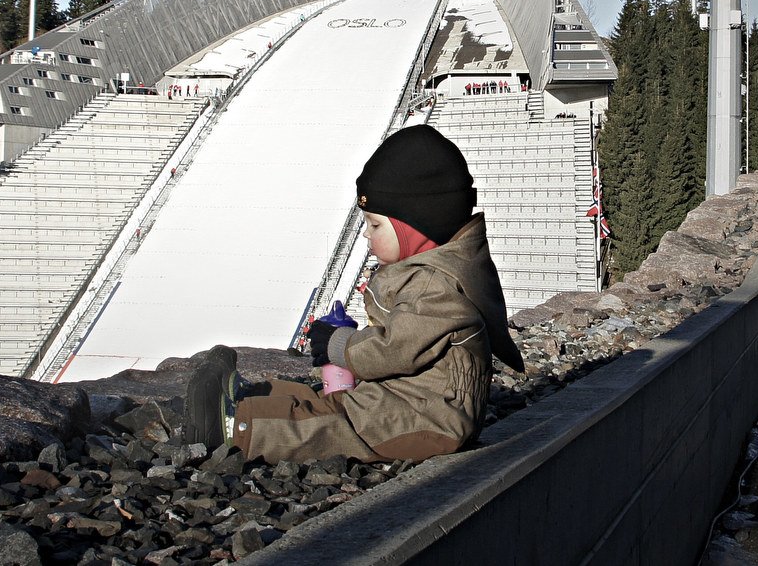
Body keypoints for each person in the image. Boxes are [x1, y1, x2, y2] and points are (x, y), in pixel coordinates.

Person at [183, 126, 525, 464]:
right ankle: (247, 398)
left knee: (336, 424)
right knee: (325, 399)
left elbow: (395, 350)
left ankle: (238, 426)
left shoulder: (434, 286)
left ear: (417, 224)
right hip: (413, 402)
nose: (365, 234)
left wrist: (338, 343)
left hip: (429, 419)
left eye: (375, 224)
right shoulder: (428, 273)